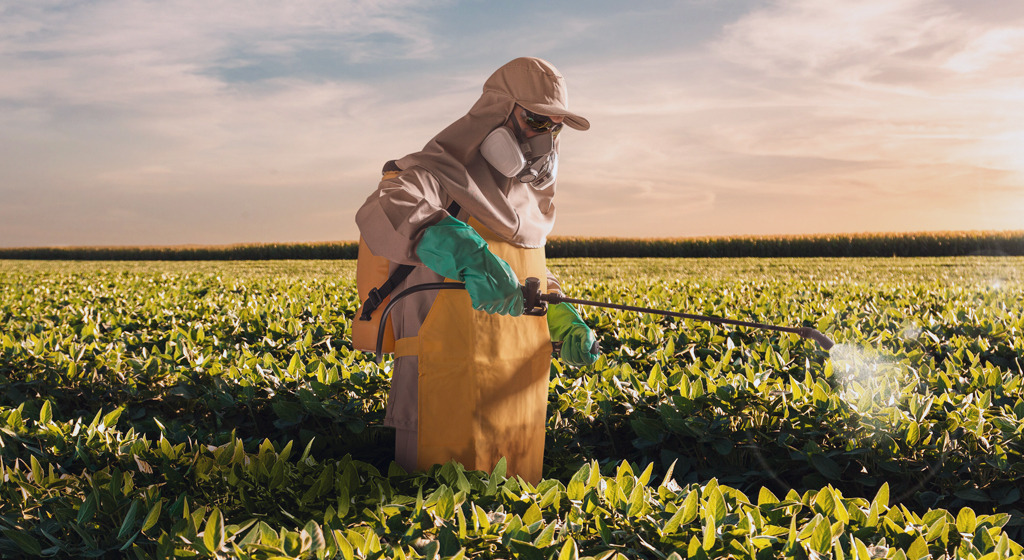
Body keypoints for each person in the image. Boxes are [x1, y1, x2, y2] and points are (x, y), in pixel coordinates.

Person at [355, 57, 599, 484]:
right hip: (446, 383)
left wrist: (559, 314)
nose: (545, 139)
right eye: (536, 121)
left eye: (554, 127)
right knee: (439, 519)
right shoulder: (438, 174)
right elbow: (389, 203)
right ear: (497, 113)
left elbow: (527, 269)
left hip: (519, 396)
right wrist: (464, 250)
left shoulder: (529, 203)